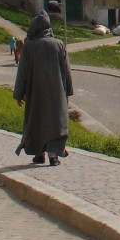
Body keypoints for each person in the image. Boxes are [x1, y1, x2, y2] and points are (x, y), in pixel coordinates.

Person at [13, 10, 74, 166]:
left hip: (36, 94)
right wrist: (68, 91)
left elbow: (22, 73)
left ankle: (39, 154)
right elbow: (67, 70)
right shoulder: (59, 44)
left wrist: (19, 94)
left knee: (37, 122)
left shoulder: (28, 47)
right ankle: (54, 156)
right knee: (56, 122)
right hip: (57, 93)